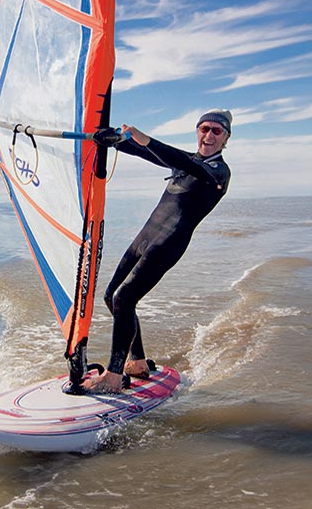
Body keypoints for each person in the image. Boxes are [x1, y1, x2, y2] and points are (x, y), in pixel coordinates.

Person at [84, 109, 233, 394]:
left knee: (125, 298)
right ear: (197, 131)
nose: (209, 135)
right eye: (204, 128)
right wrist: (113, 141)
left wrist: (145, 138)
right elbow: (153, 155)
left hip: (168, 244)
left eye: (217, 131)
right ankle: (137, 362)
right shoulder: (189, 160)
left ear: (226, 138)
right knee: (111, 297)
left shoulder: (218, 172)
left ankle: (114, 377)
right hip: (145, 236)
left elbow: (171, 156)